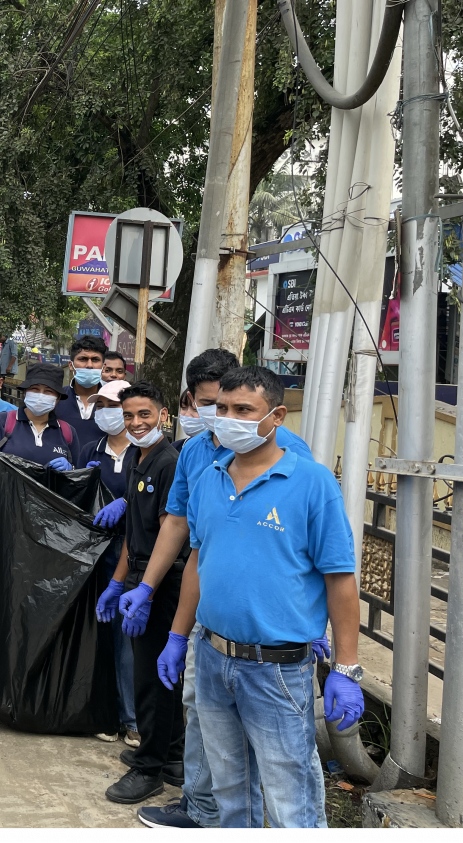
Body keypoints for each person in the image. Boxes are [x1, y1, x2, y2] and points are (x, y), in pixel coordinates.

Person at [158, 366, 362, 829]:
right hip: (212, 658)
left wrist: (346, 668)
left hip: (276, 670)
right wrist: (177, 636)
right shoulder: (209, 478)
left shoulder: (311, 483)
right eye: (222, 408)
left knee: (292, 802)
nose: (228, 419)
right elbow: (198, 562)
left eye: (243, 410)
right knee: (231, 794)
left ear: (276, 416)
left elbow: (340, 579)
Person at [125, 348, 313, 830]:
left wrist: (319, 624)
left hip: (273, 628)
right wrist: (149, 591)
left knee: (286, 755)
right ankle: (202, 807)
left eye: (232, 406)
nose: (222, 417)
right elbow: (183, 531)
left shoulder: (292, 456)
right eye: (211, 405)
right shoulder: (196, 454)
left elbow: (316, 547)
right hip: (210, 616)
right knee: (202, 713)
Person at [93, 382, 183, 805]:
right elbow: (135, 530)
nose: (135, 423)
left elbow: (170, 534)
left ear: (162, 415)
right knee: (156, 675)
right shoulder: (136, 457)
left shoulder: (168, 462)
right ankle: (173, 756)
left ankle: (149, 768)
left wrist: (146, 589)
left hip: (160, 582)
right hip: (139, 576)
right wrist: (117, 582)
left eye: (144, 414)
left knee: (151, 677)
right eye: (128, 416)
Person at [77, 379, 138, 749]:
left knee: (126, 639)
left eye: (113, 406)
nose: (106, 412)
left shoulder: (143, 452)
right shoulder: (91, 449)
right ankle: (105, 714)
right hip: (95, 552)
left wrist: (127, 502)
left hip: (132, 555)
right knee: (98, 633)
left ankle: (132, 719)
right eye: (101, 405)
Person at [0, 363, 75, 485]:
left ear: (58, 398)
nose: (40, 396)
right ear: (25, 392)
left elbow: (76, 482)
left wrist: (70, 471)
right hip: (6, 497)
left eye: (48, 391)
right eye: (35, 389)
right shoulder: (2, 422)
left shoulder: (67, 432)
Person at [56, 335, 107, 454]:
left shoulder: (114, 401)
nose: (89, 365)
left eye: (95, 360)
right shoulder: (56, 398)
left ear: (104, 367)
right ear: (71, 365)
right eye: (83, 359)